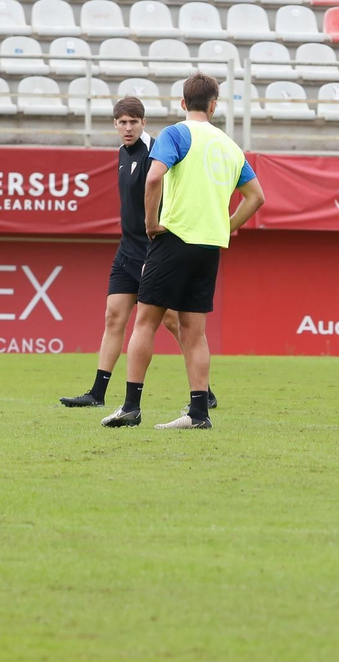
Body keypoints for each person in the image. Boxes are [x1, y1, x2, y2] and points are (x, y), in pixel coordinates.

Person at [101, 74, 264, 430]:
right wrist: (228, 226)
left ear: (182, 103)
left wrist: (149, 223)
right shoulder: (230, 146)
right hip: (209, 246)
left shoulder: (176, 134)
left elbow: (154, 177)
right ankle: (198, 414)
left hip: (173, 239)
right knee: (195, 332)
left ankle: (131, 406)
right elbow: (257, 197)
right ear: (214, 104)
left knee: (145, 322)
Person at [58, 97, 192, 409]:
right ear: (115, 125)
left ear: (144, 123)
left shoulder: (158, 152)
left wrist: (160, 243)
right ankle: (97, 394)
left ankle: (204, 389)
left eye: (133, 121)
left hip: (154, 252)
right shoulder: (122, 153)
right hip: (127, 252)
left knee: (173, 321)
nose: (128, 127)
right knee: (113, 317)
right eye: (122, 122)